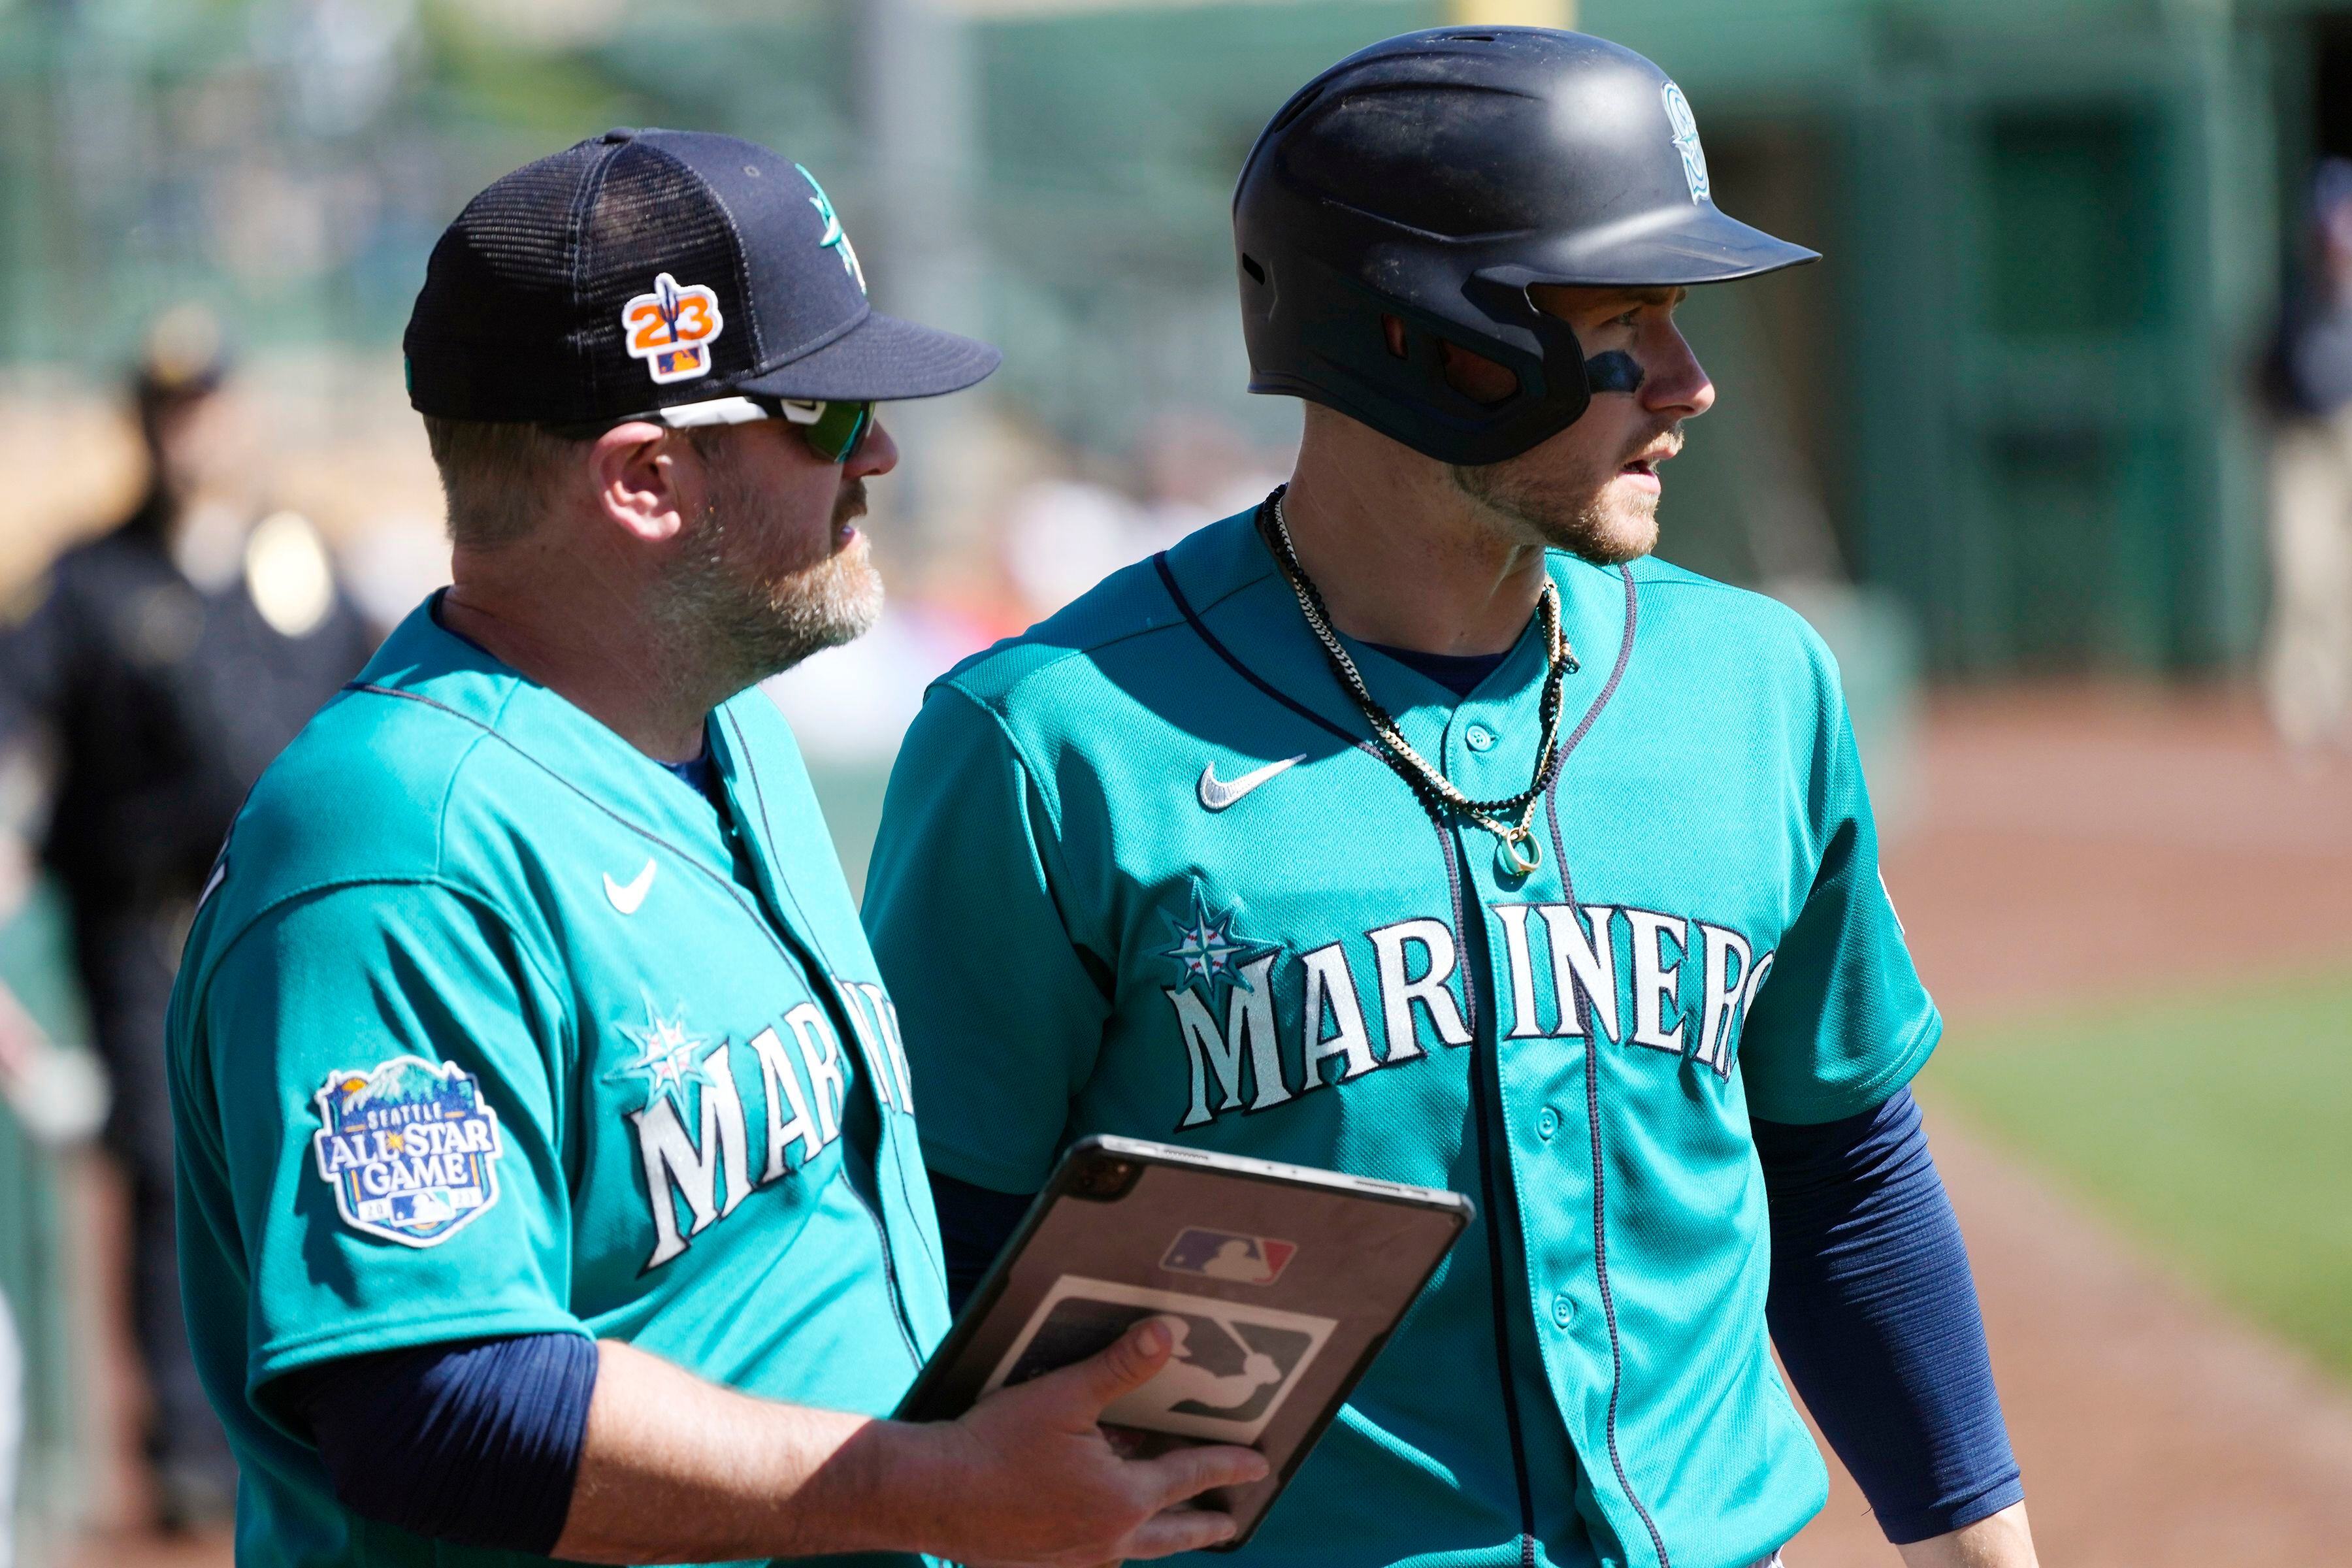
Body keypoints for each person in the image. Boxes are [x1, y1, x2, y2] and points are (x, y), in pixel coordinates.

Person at [867, 30, 2038, 1568]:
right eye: (1621, 323)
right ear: (1417, 336)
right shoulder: (1054, 746)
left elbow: (1837, 1153)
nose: (1686, 384)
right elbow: (930, 1254)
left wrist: (1982, 1543)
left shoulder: (1755, 683)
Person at [165, 127, 1265, 1568]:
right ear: (644, 481)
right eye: (820, 415)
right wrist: (934, 1490)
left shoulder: (723, 732)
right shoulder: (399, 848)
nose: (876, 451)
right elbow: (428, 1398)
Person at [0, 306, 380, 1527]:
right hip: (146, 929)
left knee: (319, 1149)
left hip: (290, 921)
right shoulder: (87, 581)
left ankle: (311, 1411)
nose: (190, 432)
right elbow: (19, 737)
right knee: (165, 1169)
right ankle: (185, 1450)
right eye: (169, 411)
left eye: (207, 405)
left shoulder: (303, 562)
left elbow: (376, 702)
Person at [2261, 157, 2352, 754]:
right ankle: (2299, 709)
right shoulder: (2299, 303)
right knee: (2304, 576)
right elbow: (2260, 376)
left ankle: (2341, 707)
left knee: (2345, 582)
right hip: (2307, 449)